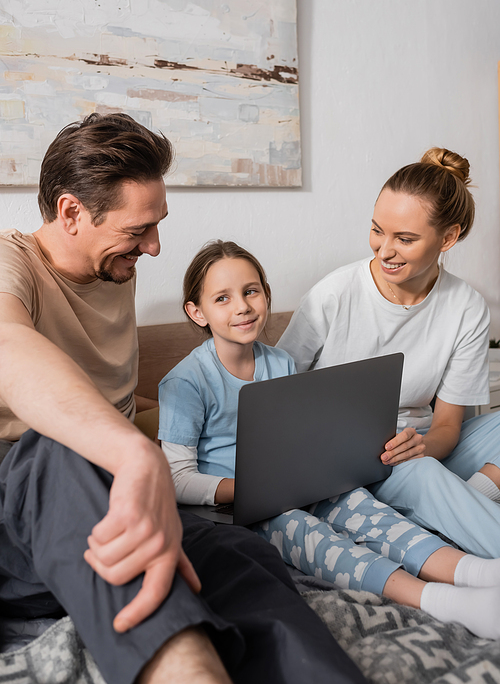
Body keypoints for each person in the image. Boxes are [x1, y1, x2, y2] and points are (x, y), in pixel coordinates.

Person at [0, 113, 367, 684]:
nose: (154, 245)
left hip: (101, 509)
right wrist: (133, 453)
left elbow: (128, 401)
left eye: (157, 225)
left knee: (246, 556)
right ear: (71, 212)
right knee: (62, 450)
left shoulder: (115, 268)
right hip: (23, 512)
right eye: (138, 230)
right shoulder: (11, 263)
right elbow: (8, 347)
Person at [158, 239, 500, 642]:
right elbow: (177, 478)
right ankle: (440, 601)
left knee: (365, 506)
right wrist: (249, 490)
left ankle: (476, 571)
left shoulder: (280, 362)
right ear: (197, 312)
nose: (242, 307)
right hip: (238, 506)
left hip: (295, 483)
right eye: (222, 298)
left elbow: (295, 436)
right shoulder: (185, 382)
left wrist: (319, 468)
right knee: (308, 533)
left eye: (251, 291)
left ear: (266, 294)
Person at [277, 147, 500, 559]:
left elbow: (448, 425)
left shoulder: (466, 306)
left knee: (444, 457)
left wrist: (423, 447)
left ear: (448, 237)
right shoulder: (333, 294)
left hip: (419, 445)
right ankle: (464, 514)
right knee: (424, 475)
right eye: (378, 230)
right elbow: (272, 393)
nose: (384, 250)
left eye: (405, 239)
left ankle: (465, 501)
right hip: (348, 458)